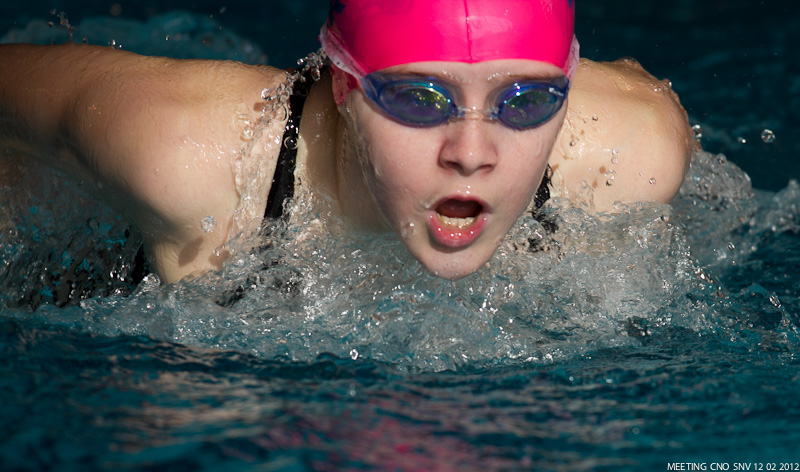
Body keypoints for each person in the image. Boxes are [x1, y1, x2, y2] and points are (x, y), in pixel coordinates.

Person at [0, 0, 692, 285]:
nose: (472, 152)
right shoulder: (186, 154)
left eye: (527, 101)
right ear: (343, 83)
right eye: (420, 99)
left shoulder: (630, 157)